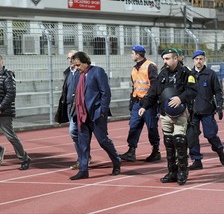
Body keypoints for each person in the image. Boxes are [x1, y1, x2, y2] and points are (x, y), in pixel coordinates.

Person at [138, 48, 197, 185]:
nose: (165, 61)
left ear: (176, 58)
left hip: (181, 112)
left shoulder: (186, 73)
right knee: (169, 142)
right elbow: (153, 91)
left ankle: (183, 171)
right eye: (164, 59)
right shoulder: (162, 74)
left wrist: (180, 98)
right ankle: (172, 171)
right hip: (165, 113)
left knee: (180, 141)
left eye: (168, 58)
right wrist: (144, 106)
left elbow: (193, 90)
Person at [69, 51, 121, 180]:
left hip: (96, 114)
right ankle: (83, 170)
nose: (76, 67)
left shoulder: (97, 71)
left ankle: (116, 161)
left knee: (103, 141)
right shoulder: (77, 75)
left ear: (86, 62)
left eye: (78, 65)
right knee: (83, 144)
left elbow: (106, 93)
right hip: (82, 115)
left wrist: (102, 111)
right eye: (75, 65)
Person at [120, 45, 160, 162]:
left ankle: (155, 151)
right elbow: (135, 86)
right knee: (133, 126)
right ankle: (131, 151)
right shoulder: (134, 69)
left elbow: (154, 86)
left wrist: (147, 102)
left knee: (152, 127)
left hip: (149, 103)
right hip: (137, 102)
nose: (131, 55)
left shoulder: (150, 66)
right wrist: (132, 102)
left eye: (132, 53)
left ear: (138, 55)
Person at [188, 50, 224, 170]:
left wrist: (219, 106)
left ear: (204, 59)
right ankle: (197, 160)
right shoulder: (189, 75)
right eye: (196, 59)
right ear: (193, 60)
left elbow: (218, 92)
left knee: (210, 134)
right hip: (192, 112)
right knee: (192, 136)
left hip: (207, 110)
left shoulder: (210, 74)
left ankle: (219, 150)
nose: (198, 61)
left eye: (201, 59)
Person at [55, 50, 91, 170]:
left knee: (74, 132)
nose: (70, 60)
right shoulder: (68, 73)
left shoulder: (83, 72)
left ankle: (83, 159)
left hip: (80, 108)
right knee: (76, 134)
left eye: (73, 58)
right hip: (69, 107)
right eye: (68, 58)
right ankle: (84, 158)